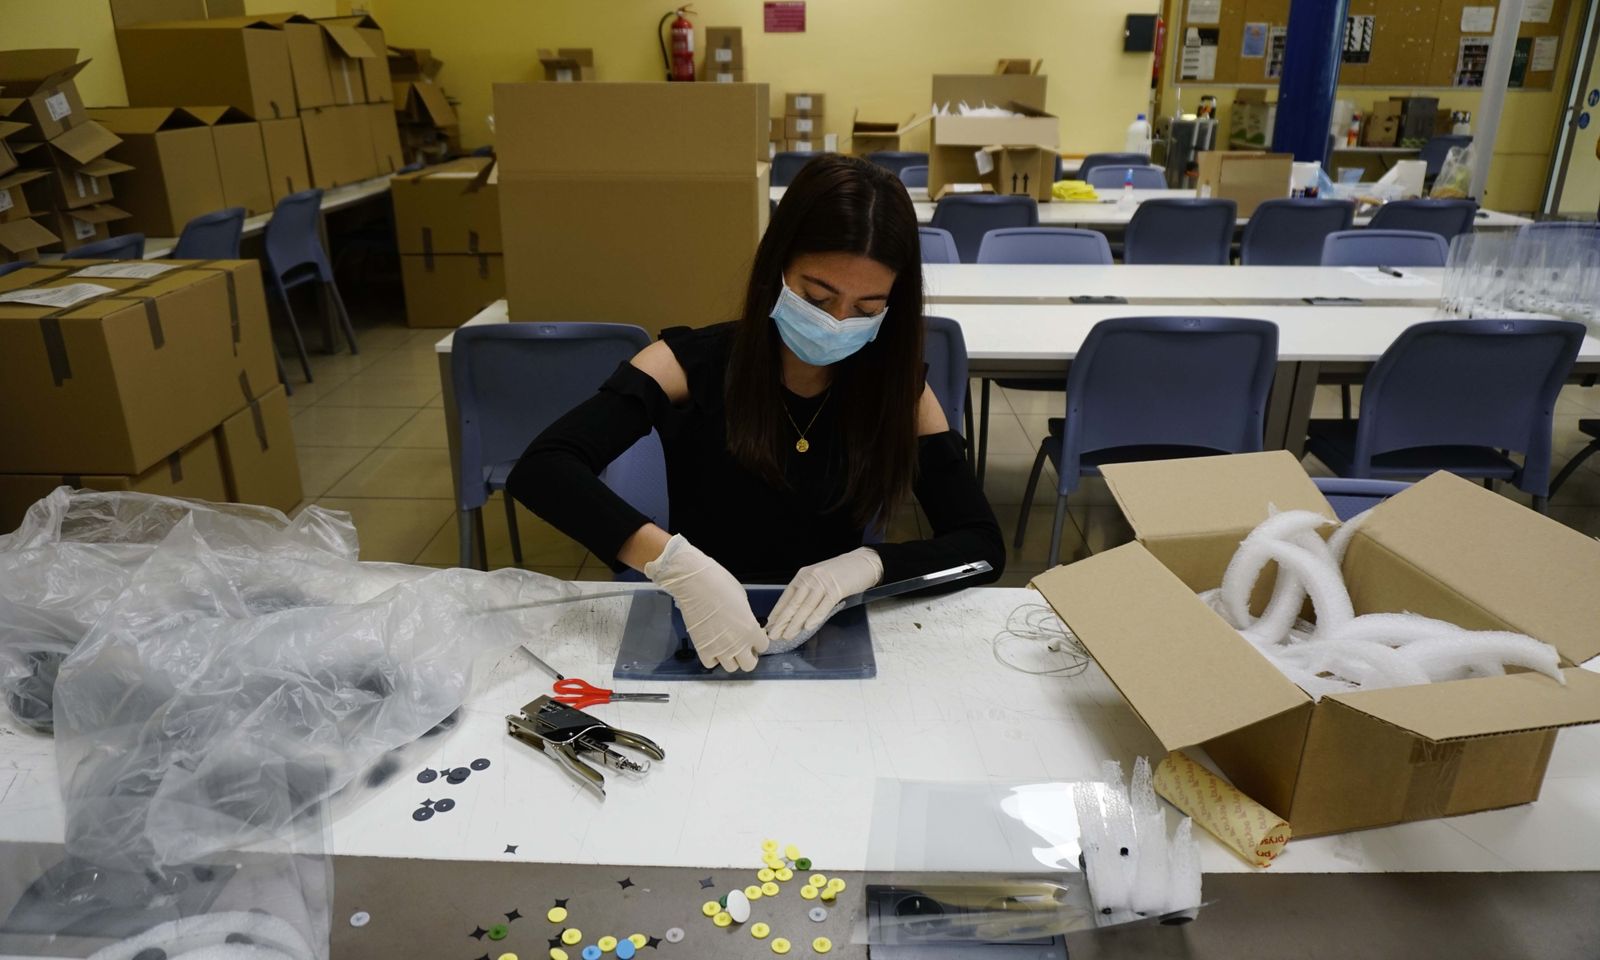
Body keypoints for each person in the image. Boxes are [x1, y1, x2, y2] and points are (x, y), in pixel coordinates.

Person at [507, 155, 1004, 672]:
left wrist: (870, 566)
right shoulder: (686, 364)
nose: (836, 323)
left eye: (866, 308)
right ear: (778, 269)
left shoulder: (897, 390)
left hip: (825, 633)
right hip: (701, 625)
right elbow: (544, 467)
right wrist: (675, 565)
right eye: (817, 296)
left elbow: (981, 544)